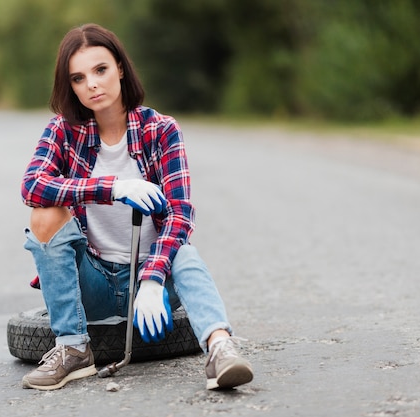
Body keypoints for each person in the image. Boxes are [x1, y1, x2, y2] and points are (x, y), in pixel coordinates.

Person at [20, 23, 253, 391]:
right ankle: (73, 349)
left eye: (100, 70)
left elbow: (179, 214)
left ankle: (220, 347)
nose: (92, 84)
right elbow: (33, 186)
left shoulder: (160, 130)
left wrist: (152, 277)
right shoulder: (63, 131)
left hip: (154, 282)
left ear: (120, 69)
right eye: (78, 78)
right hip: (92, 281)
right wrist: (111, 187)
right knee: (43, 214)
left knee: (186, 252)